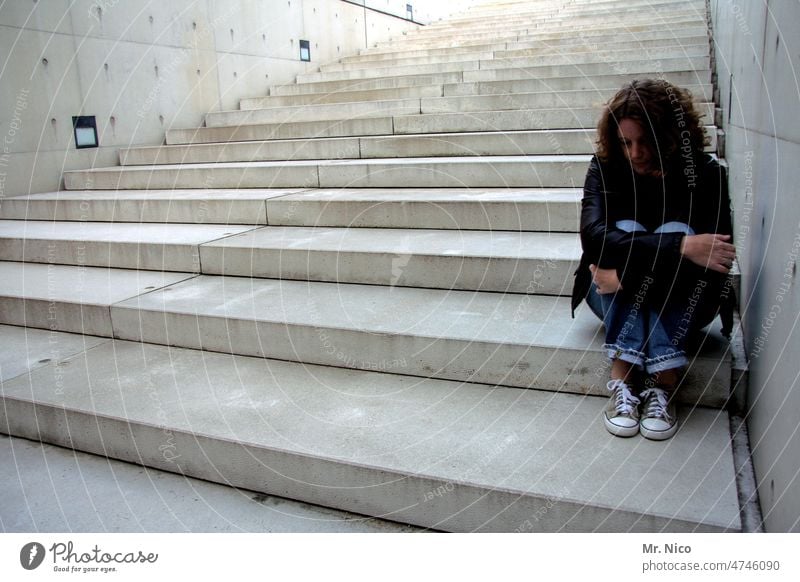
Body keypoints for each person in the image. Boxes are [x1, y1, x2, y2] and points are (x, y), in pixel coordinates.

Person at [571, 78, 735, 441]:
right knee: (663, 232)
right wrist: (680, 246)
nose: (635, 153)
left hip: (686, 298)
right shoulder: (604, 167)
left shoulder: (706, 176)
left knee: (670, 228)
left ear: (671, 137)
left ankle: (657, 379)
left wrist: (627, 276)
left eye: (646, 141)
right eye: (626, 142)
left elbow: (714, 264)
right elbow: (594, 239)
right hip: (606, 290)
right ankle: (633, 372)